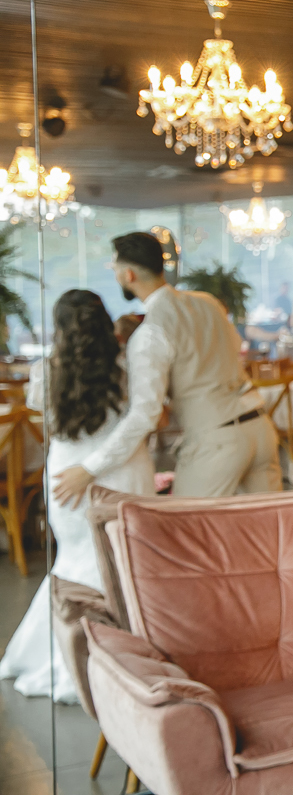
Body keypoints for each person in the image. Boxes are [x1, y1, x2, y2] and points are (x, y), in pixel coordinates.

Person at [0, 290, 155, 702]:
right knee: (121, 564)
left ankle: (66, 651)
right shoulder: (126, 367)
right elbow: (141, 420)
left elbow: (49, 421)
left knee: (73, 562)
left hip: (66, 475)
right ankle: (117, 658)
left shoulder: (45, 372)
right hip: (119, 471)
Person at [52, 232, 282, 501]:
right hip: (260, 428)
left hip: (216, 439)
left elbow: (145, 414)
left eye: (115, 269)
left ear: (128, 275)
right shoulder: (208, 302)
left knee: (184, 524)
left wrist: (88, 469)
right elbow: (235, 347)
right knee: (266, 525)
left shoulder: (149, 333)